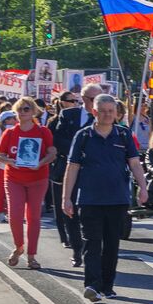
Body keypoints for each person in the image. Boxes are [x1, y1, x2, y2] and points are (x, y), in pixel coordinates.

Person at [62, 95, 146, 302]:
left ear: (116, 113)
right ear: (94, 112)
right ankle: (92, 285)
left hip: (117, 199)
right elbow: (72, 167)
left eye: (111, 110)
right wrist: (66, 198)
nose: (107, 114)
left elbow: (135, 164)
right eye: (103, 110)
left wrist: (143, 188)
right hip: (90, 199)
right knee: (91, 243)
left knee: (111, 245)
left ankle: (107, 286)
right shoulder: (83, 136)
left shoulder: (124, 135)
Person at [0, 97, 55, 270]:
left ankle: (32, 255)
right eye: (20, 109)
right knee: (14, 214)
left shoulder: (43, 132)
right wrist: (9, 161)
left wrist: (42, 162)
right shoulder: (9, 133)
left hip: (38, 178)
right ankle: (18, 246)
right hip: (14, 178)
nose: (23, 112)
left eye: (27, 109)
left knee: (33, 217)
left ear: (34, 111)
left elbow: (52, 153)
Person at [52, 86, 100, 264]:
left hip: (93, 173)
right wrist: (77, 150)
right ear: (84, 98)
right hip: (70, 169)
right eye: (92, 98)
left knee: (90, 212)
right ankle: (76, 249)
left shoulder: (103, 117)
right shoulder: (68, 115)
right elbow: (57, 139)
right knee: (69, 210)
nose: (96, 102)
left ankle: (91, 249)